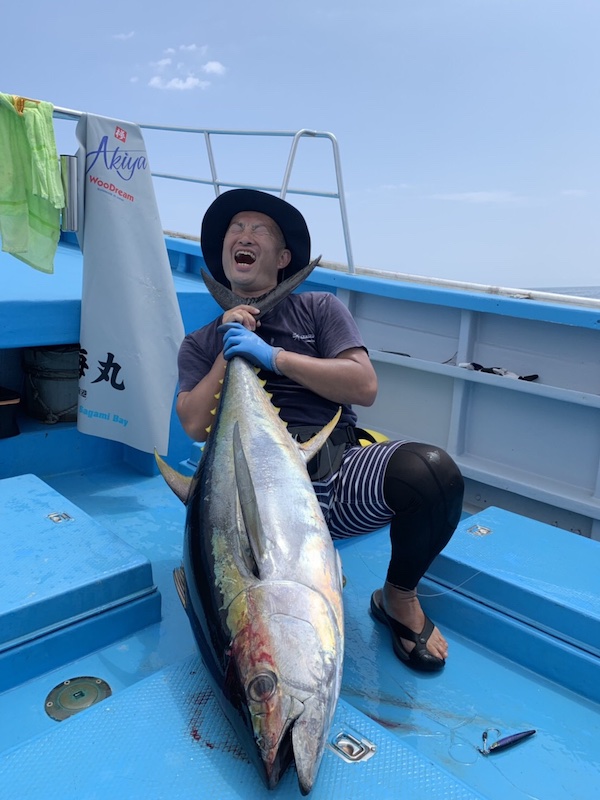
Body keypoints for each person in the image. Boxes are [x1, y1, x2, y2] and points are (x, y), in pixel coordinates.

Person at [176, 189, 465, 672]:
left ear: (283, 258)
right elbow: (192, 422)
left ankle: (398, 596)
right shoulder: (201, 342)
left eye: (259, 229)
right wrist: (229, 352)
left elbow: (364, 385)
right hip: (247, 503)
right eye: (235, 229)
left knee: (431, 474)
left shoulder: (319, 309)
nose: (244, 236)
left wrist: (274, 357)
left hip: (333, 479)